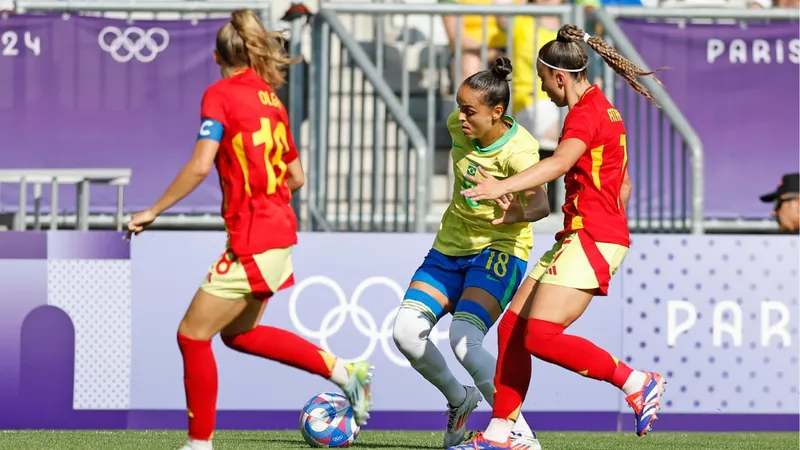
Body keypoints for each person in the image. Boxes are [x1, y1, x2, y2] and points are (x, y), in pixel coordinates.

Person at [125, 10, 373, 450]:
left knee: (191, 334)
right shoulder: (271, 100)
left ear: (216, 54)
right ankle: (342, 370)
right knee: (238, 334)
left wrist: (153, 210)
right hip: (277, 233)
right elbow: (296, 177)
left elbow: (202, 163)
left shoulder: (220, 94)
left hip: (254, 236)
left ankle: (199, 444)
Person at [450, 24, 667, 450]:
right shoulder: (603, 107)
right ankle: (502, 434)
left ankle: (637, 381)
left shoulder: (583, 115)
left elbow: (562, 162)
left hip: (593, 237)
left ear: (560, 77)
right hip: (583, 234)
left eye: (544, 80)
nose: (544, 89)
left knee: (541, 335)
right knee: (511, 327)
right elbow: (623, 185)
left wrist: (502, 187)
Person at [392, 57, 550, 450]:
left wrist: (514, 209)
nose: (460, 118)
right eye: (459, 108)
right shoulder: (457, 128)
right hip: (449, 249)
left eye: (469, 111)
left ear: (497, 112)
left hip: (500, 249)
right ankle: (460, 399)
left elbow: (541, 207)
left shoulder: (520, 152)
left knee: (464, 338)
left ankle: (517, 431)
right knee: (406, 334)